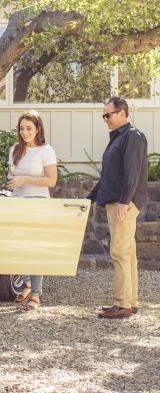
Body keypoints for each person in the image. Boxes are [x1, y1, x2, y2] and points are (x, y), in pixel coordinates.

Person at [88, 97, 148, 319]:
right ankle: (129, 302)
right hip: (117, 201)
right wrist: (89, 199)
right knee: (127, 253)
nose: (105, 119)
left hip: (123, 204)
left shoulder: (132, 136)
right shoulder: (118, 137)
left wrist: (124, 200)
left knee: (119, 252)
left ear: (122, 113)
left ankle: (122, 305)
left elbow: (132, 171)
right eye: (103, 115)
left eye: (108, 115)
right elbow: (108, 176)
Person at [6, 110, 58, 312]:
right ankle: (27, 283)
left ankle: (36, 295)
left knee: (34, 249)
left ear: (38, 129)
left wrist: (24, 179)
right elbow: (12, 175)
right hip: (17, 202)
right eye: (22, 128)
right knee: (13, 246)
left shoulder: (46, 151)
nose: (25, 132)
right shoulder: (15, 149)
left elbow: (51, 181)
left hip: (38, 203)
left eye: (29, 128)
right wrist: (12, 182)